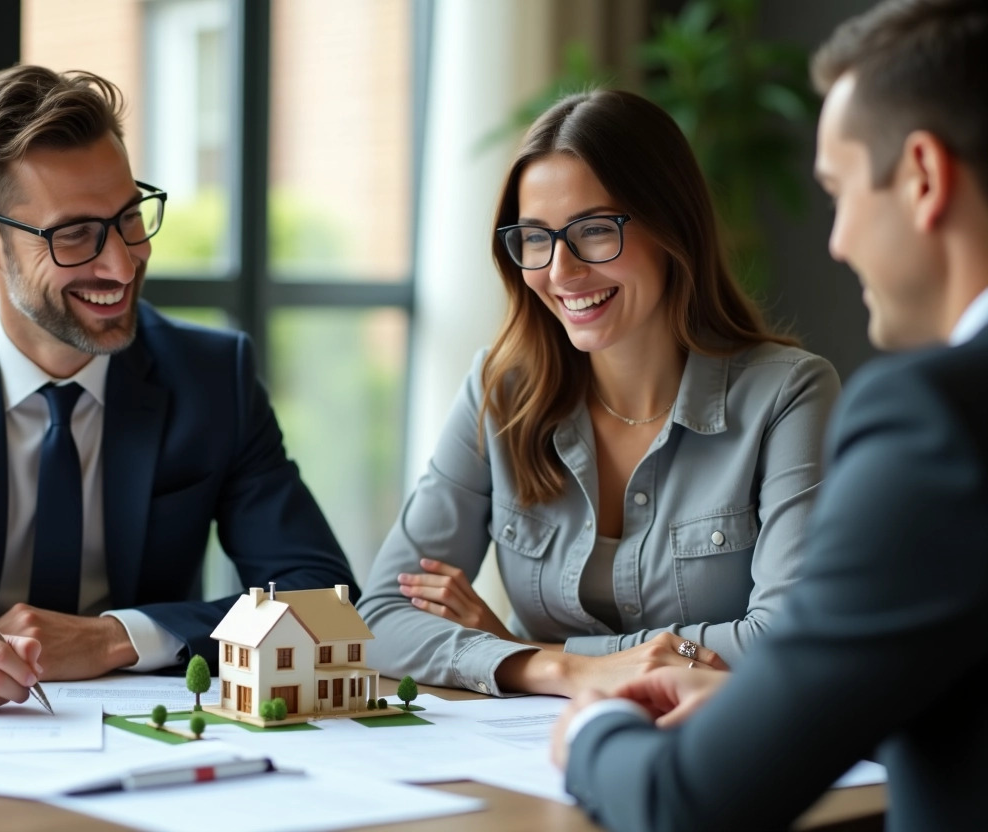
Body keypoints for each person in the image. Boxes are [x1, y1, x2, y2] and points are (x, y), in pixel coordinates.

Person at [0, 65, 357, 713]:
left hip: (149, 747)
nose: (123, 262)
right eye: (74, 234)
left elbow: (318, 593)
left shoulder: (212, 377)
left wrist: (120, 638)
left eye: (130, 217)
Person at [551, 1, 988, 828]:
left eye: (839, 191)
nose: (837, 240)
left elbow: (692, 803)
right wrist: (756, 702)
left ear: (924, 176)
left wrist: (595, 727)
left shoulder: (935, 422)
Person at [357, 88, 840, 698]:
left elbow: (789, 638)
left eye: (592, 230)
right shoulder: (499, 391)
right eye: (536, 238)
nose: (561, 271)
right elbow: (378, 621)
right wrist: (562, 669)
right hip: (531, 764)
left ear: (672, 227)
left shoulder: (789, 395)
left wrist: (522, 651)